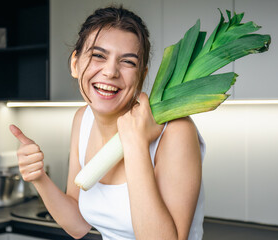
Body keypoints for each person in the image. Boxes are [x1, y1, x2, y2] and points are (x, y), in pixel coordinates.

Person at [10, 5, 205, 240]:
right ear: (75, 63)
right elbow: (78, 224)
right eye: (98, 56)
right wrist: (38, 177)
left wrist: (135, 143)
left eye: (128, 62)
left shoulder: (176, 131)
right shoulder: (83, 119)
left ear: (142, 76)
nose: (111, 71)